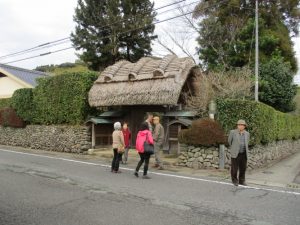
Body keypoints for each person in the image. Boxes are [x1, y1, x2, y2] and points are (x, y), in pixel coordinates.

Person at [228, 119, 250, 186]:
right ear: (237, 126)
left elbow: (247, 143)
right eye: (239, 125)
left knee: (243, 168)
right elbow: (229, 141)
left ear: (244, 126)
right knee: (234, 168)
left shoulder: (247, 134)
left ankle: (242, 180)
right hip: (235, 153)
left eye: (241, 125)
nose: (240, 126)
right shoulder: (232, 132)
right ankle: (234, 180)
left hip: (244, 153)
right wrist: (234, 148)